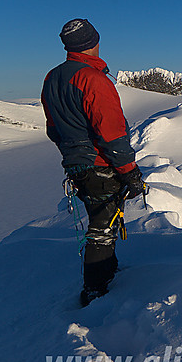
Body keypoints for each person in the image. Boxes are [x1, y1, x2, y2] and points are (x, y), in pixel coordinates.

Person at [41, 19, 146, 307]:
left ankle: (108, 276)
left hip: (76, 166)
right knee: (102, 227)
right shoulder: (94, 80)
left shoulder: (52, 78)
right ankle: (95, 291)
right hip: (99, 165)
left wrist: (73, 152)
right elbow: (112, 134)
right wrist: (130, 172)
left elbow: (53, 128)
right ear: (94, 42)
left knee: (102, 221)